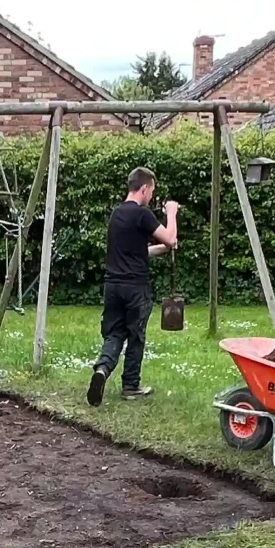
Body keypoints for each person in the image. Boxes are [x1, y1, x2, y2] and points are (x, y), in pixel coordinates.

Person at [90, 166, 179, 406]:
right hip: (135, 288)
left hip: (113, 286)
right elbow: (170, 237)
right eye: (152, 192)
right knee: (135, 335)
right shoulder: (142, 214)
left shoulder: (116, 214)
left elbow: (134, 252)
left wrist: (161, 249)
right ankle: (131, 385)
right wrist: (171, 213)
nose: (151, 197)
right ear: (144, 188)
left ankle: (102, 369)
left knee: (114, 332)